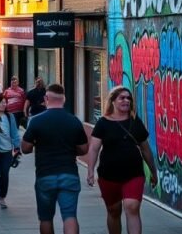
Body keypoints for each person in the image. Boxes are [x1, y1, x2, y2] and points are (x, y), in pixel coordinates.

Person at [87, 86, 158, 234]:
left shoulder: (135, 122)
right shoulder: (103, 123)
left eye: (128, 98)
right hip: (108, 174)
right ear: (113, 101)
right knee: (113, 210)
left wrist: (153, 171)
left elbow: (145, 149)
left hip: (133, 174)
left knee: (132, 206)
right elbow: (94, 148)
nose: (126, 100)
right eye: (122, 98)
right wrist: (90, 171)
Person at [21, 83, 89, 234]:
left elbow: (25, 148)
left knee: (46, 218)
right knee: (70, 216)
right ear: (63, 99)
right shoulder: (74, 121)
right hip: (69, 173)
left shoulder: (36, 121)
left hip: (45, 174)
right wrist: (70, 149)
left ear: (46, 98)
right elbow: (84, 149)